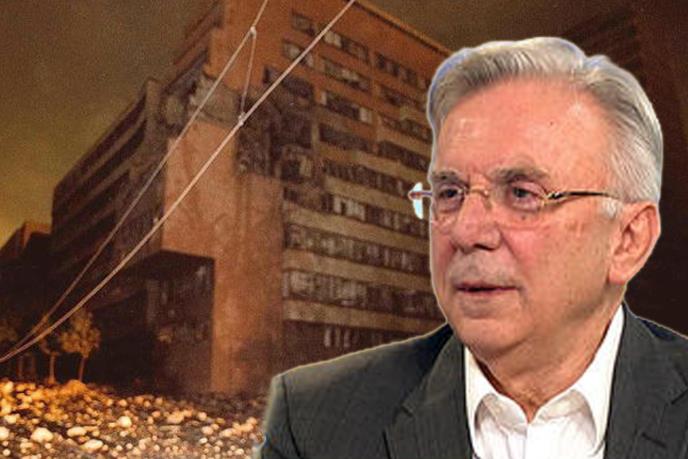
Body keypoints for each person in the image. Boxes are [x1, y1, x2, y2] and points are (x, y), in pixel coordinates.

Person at [255, 37, 688, 459]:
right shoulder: (316, 423)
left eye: (522, 193)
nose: (465, 231)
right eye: (449, 193)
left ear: (628, 239)